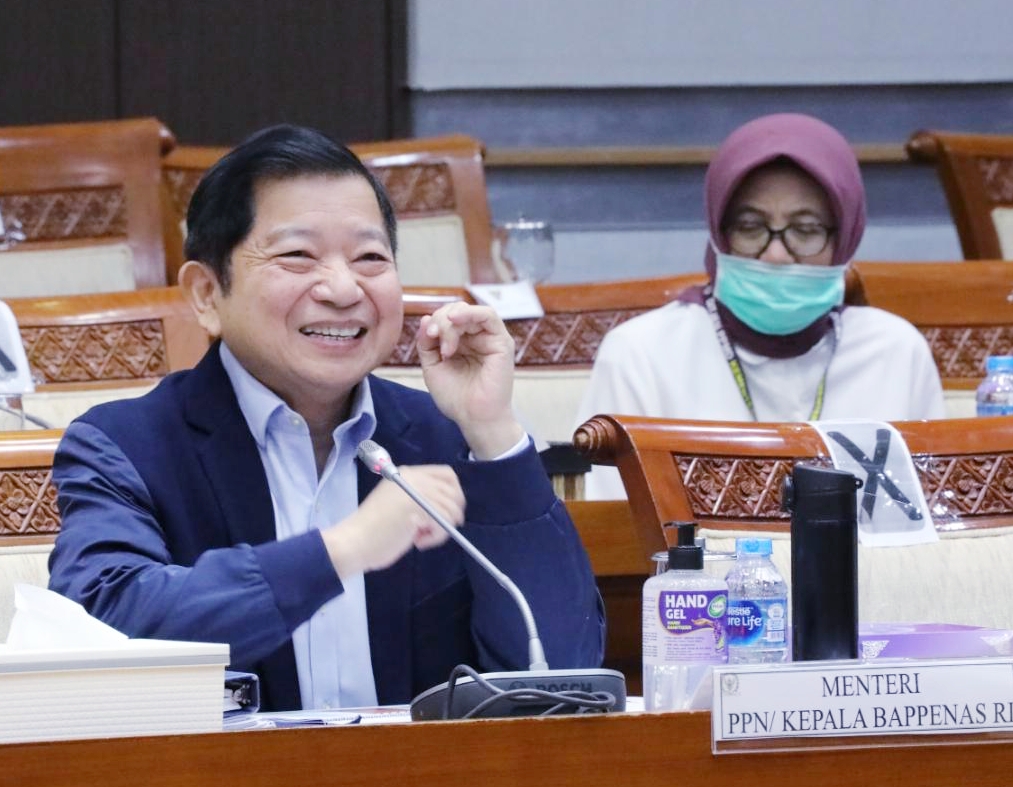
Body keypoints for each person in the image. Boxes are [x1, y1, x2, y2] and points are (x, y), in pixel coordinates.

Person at [47, 125, 604, 711]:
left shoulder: (444, 437)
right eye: (297, 256)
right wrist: (343, 549)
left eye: (370, 258)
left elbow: (563, 674)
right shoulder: (125, 446)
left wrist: (491, 433)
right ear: (207, 294)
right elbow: (99, 630)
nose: (343, 289)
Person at [576, 114, 944, 499]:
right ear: (719, 233)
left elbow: (938, 512)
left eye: (805, 230)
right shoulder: (642, 355)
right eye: (751, 227)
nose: (776, 254)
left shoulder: (896, 352)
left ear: (846, 238)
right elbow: (610, 520)